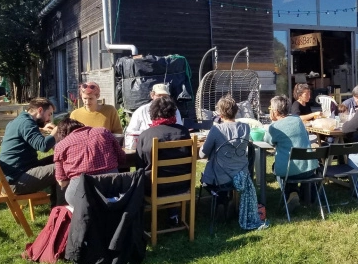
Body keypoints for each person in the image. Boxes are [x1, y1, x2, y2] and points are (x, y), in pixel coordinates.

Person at [0, 97, 64, 206]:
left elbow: (29, 136)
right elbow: (43, 146)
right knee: (63, 166)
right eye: (49, 114)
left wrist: (42, 130)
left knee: (58, 159)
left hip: (10, 176)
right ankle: (60, 208)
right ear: (40, 110)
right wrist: (56, 131)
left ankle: (57, 206)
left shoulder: (21, 120)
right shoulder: (27, 123)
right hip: (15, 181)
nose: (49, 119)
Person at [136, 96, 191, 225]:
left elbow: (139, 165)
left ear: (153, 113)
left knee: (140, 177)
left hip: (155, 187)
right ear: (173, 112)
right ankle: (174, 214)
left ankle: (140, 218)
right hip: (182, 185)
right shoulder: (184, 132)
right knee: (172, 173)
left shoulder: (146, 134)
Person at [53, 117, 126, 208]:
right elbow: (122, 157)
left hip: (81, 194)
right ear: (80, 125)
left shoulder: (61, 145)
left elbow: (62, 182)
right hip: (112, 186)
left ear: (62, 134)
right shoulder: (103, 132)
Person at [264, 95, 318, 211]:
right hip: (309, 168)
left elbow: (268, 141)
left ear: (276, 111)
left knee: (277, 167)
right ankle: (300, 195)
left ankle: (291, 193)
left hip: (290, 171)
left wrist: (272, 123)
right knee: (291, 166)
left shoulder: (274, 127)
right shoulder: (297, 120)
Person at [199, 96, 251, 188]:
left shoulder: (217, 129)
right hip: (241, 176)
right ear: (236, 111)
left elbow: (202, 154)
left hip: (220, 179)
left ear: (220, 114)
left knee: (206, 182)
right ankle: (227, 198)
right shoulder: (246, 128)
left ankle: (222, 199)